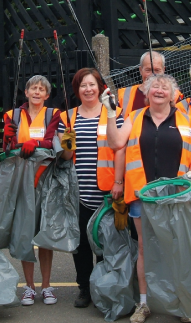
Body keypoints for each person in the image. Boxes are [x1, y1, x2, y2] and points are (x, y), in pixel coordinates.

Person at [108, 73, 191, 323]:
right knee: (145, 249)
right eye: (154, 87)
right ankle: (144, 303)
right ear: (147, 93)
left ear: (174, 95)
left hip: (176, 197)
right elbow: (116, 141)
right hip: (143, 196)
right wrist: (110, 115)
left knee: (177, 248)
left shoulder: (186, 119)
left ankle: (183, 302)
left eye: (165, 87)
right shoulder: (134, 117)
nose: (159, 90)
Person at [56, 68, 125, 308]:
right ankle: (84, 287)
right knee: (81, 243)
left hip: (107, 189)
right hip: (78, 190)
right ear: (77, 89)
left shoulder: (113, 113)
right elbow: (65, 156)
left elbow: (120, 149)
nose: (88, 89)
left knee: (106, 241)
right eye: (83, 85)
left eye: (92, 85)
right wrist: (67, 141)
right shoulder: (68, 116)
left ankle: (104, 285)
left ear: (100, 87)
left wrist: (118, 181)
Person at [2, 75, 61, 306]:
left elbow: (52, 141)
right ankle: (29, 286)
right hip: (20, 180)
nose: (37, 92)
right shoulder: (11, 116)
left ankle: (47, 286)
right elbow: (7, 148)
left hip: (45, 178)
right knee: (25, 233)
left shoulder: (52, 114)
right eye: (33, 88)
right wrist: (7, 138)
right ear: (26, 92)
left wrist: (35, 144)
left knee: (44, 235)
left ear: (47, 95)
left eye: (41, 89)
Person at [116, 51, 183, 118]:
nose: (152, 75)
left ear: (163, 70)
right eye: (148, 70)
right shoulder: (124, 95)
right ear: (140, 70)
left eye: (157, 70)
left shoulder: (174, 95)